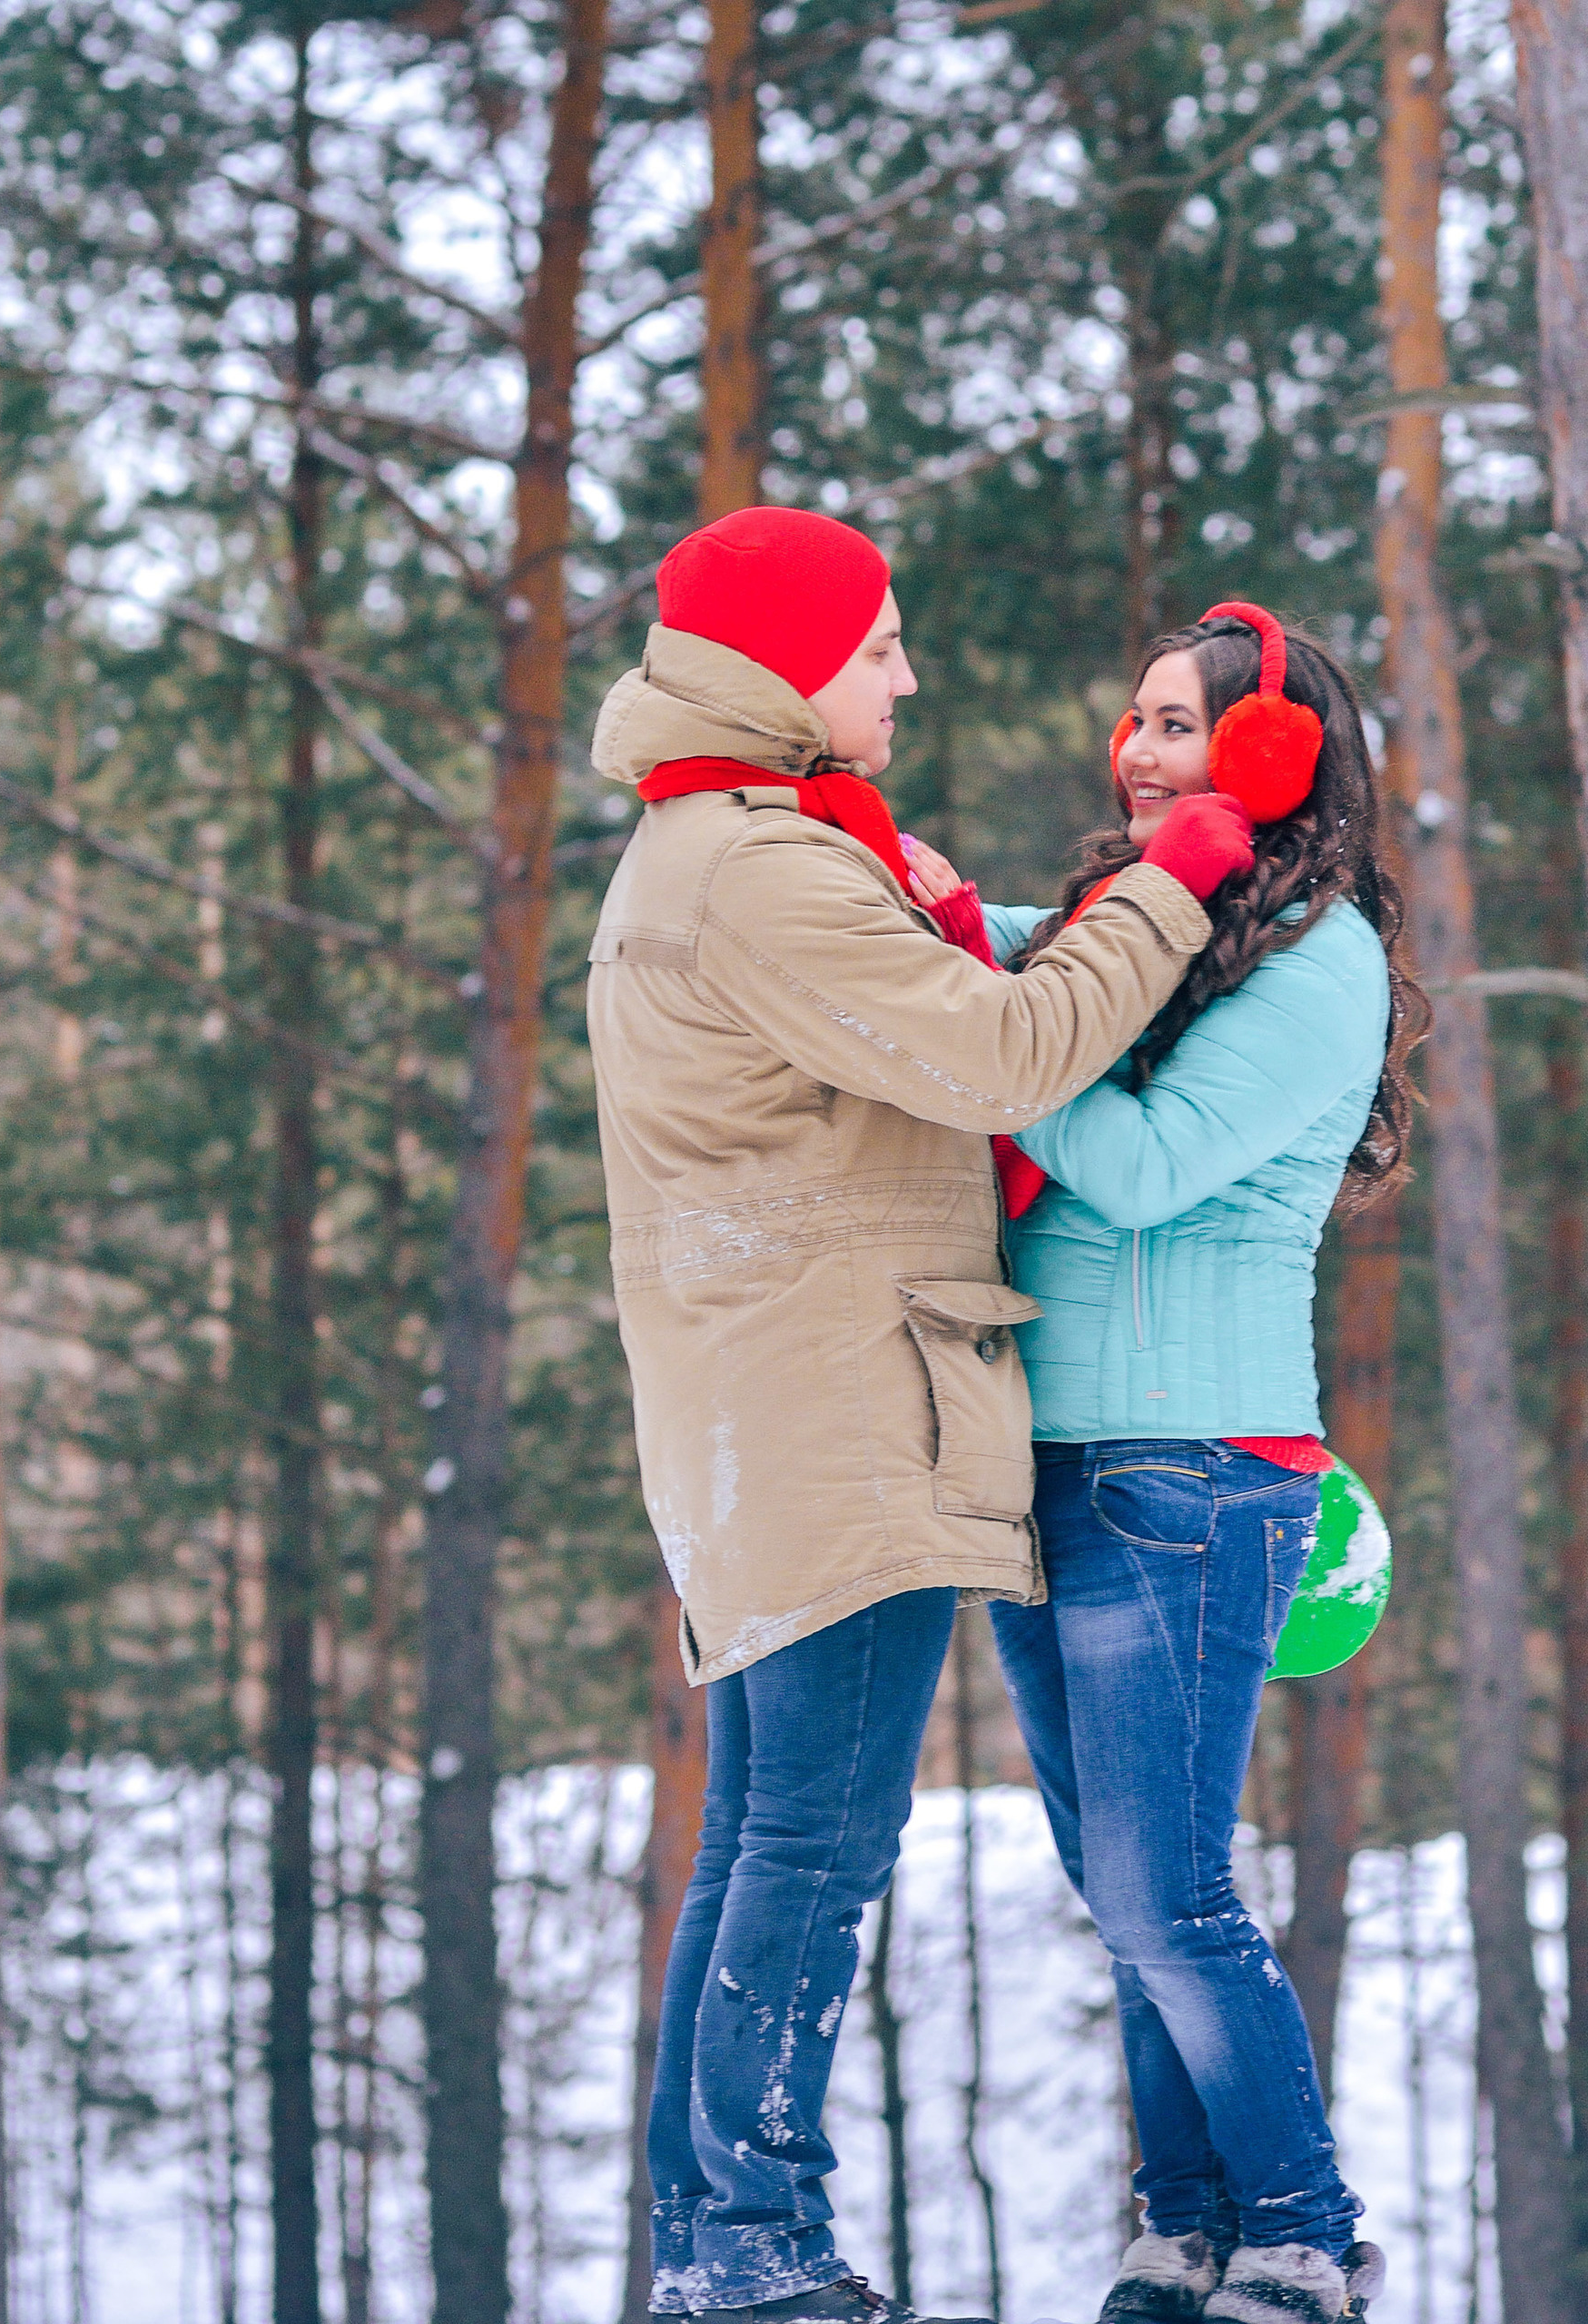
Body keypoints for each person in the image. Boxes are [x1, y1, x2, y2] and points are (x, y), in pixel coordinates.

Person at [585, 507, 1258, 2324]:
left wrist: (997, 917)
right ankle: (754, 2245)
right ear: (790, 663)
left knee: (760, 1833)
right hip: (829, 1408)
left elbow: (928, 1014)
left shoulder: (736, 846)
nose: (905, 672)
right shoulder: (762, 869)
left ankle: (714, 2236)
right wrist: (1175, 878)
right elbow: (1004, 1051)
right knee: (808, 1840)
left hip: (776, 1400)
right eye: (878, 642)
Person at [903, 607, 1426, 2324]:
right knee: (1119, 1891)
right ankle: (1181, 2228)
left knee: (1165, 1886)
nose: (1136, 750)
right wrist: (928, 904)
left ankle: (1299, 2231)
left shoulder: (1316, 959)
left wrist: (998, 1035)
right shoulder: (1160, 924)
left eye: (1179, 728)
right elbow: (998, 940)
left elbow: (1135, 1163)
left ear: (1272, 759)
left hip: (1193, 1466)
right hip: (1053, 1461)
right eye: (1131, 719)